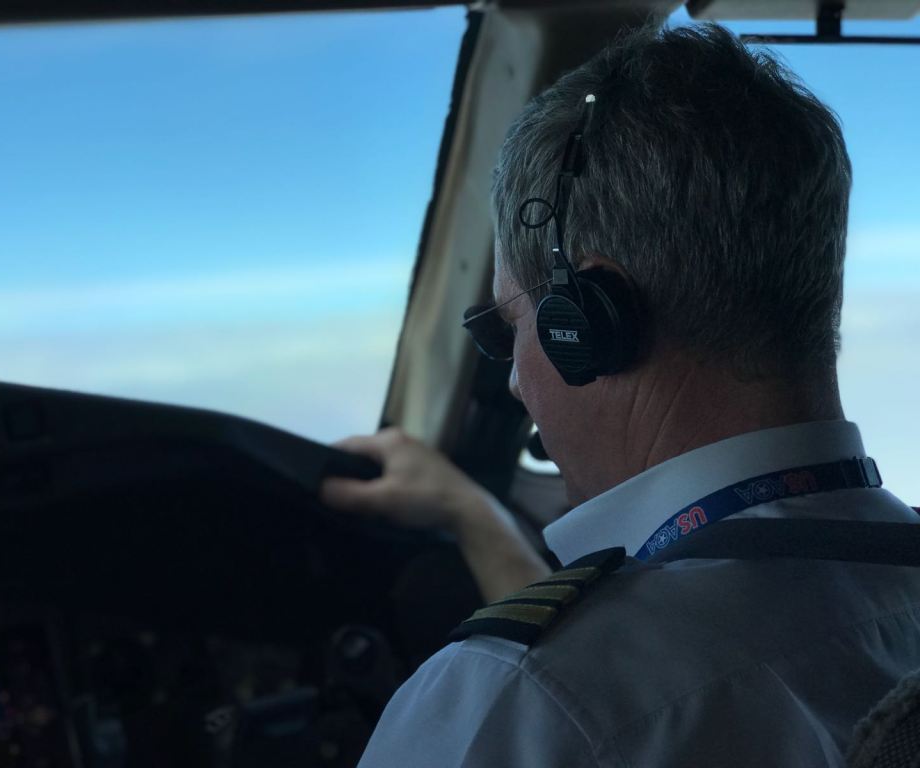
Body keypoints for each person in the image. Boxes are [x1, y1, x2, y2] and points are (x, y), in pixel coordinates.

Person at [321, 21, 920, 767]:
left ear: (591, 323)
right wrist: (473, 517)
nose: (513, 380)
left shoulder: (520, 707)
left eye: (511, 328)